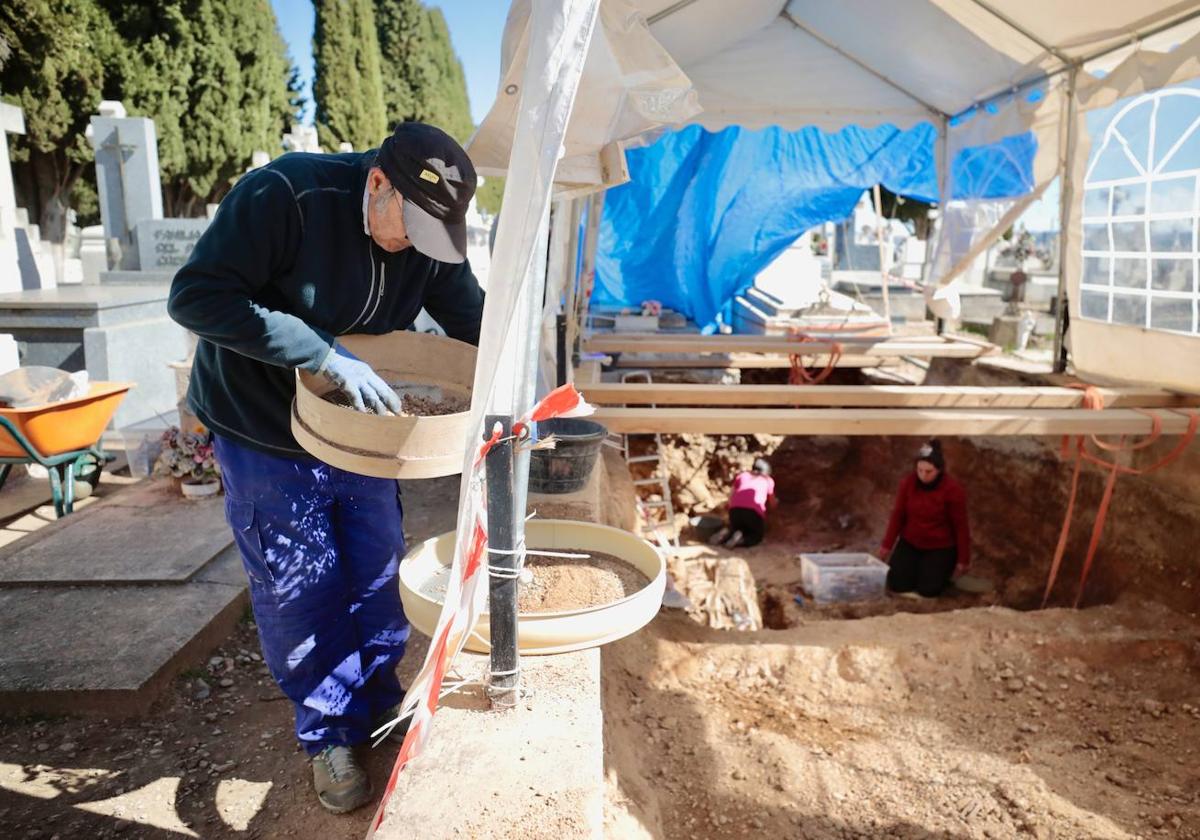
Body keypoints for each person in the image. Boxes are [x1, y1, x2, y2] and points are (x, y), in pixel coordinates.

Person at [168, 122, 485, 814]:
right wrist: (320, 353)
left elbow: (469, 314)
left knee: (377, 572)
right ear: (377, 183)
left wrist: (522, 375)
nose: (415, 251)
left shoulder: (424, 233)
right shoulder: (286, 195)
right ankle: (328, 732)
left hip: (363, 431)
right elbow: (194, 296)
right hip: (264, 428)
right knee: (300, 588)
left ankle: (376, 703)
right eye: (410, 231)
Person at [880, 439, 970, 598]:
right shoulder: (908, 483)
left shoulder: (953, 490)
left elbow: (960, 526)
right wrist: (887, 545)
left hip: (940, 546)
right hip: (911, 541)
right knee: (897, 583)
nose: (923, 475)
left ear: (939, 470)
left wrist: (963, 559)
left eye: (929, 471)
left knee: (929, 590)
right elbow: (898, 514)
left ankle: (939, 575)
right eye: (919, 470)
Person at [709, 458, 777, 548]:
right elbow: (772, 502)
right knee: (756, 536)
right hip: (753, 513)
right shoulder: (768, 480)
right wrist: (774, 507)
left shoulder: (742, 475)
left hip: (735, 511)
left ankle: (727, 532)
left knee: (737, 527)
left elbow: (731, 495)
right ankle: (740, 541)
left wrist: (729, 507)